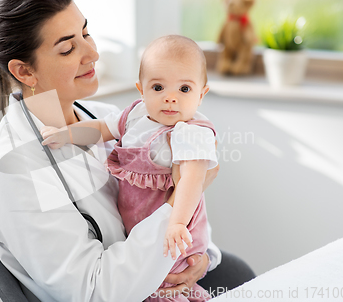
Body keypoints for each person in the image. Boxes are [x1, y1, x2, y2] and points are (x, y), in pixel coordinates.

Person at [0, 0, 254, 302]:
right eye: (68, 48)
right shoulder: (12, 168)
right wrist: (181, 201)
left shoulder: (107, 118)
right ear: (25, 71)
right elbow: (94, 291)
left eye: (86, 34)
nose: (93, 53)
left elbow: (153, 198)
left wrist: (200, 259)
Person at [40, 35, 216, 301]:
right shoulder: (134, 115)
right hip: (137, 227)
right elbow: (100, 129)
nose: (170, 98)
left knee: (167, 286)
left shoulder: (189, 132)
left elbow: (191, 180)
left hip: (175, 233)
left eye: (184, 89)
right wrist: (65, 134)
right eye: (158, 88)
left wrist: (177, 222)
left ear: (201, 94)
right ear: (141, 90)